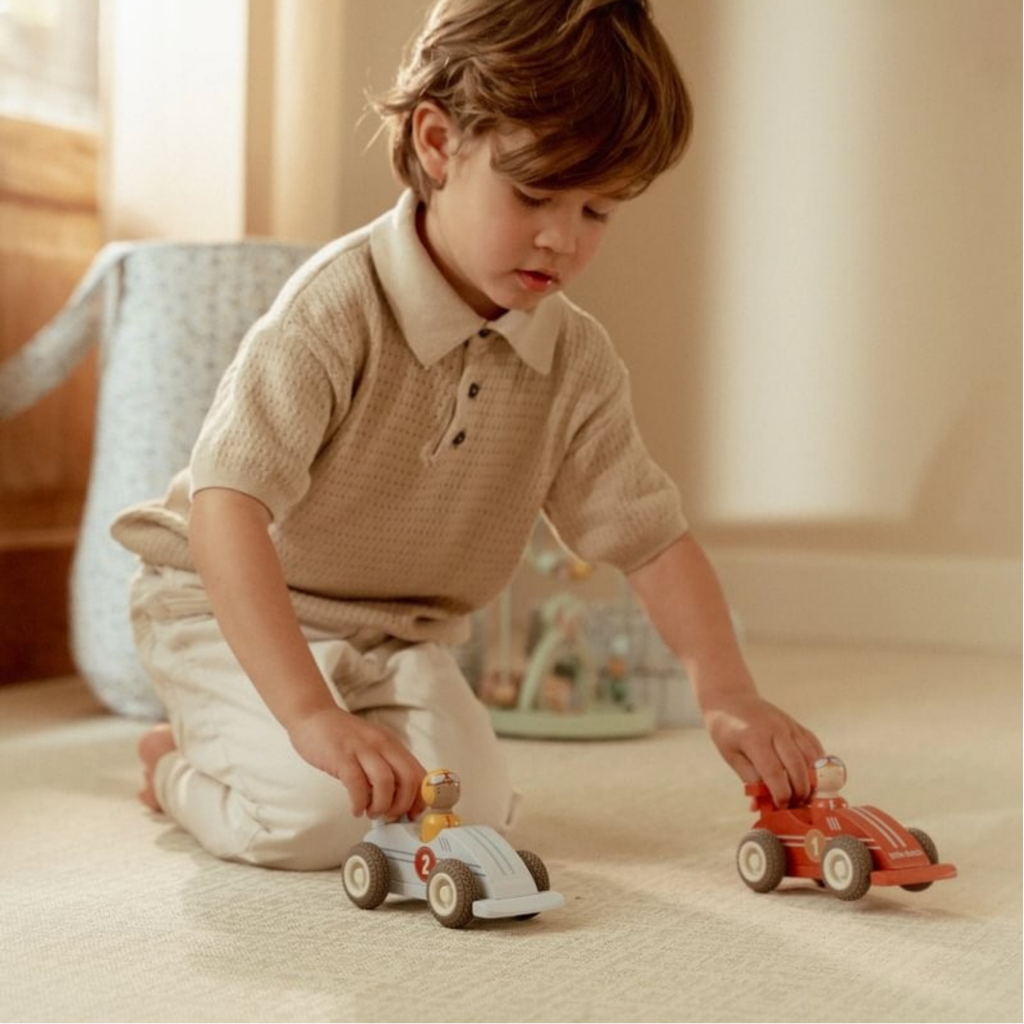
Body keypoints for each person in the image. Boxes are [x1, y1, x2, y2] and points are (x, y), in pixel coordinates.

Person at [113, 0, 823, 871]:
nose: (563, 237)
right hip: (229, 613)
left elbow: (651, 540)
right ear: (440, 145)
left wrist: (728, 691)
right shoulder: (334, 310)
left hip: (400, 636)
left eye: (598, 211)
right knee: (311, 818)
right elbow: (227, 509)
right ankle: (173, 771)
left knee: (468, 813)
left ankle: (292, 741)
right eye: (533, 192)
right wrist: (309, 714)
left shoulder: (575, 362)